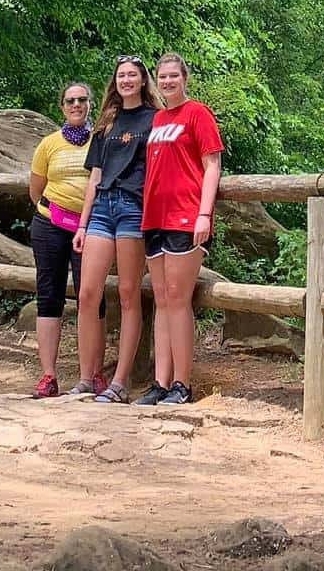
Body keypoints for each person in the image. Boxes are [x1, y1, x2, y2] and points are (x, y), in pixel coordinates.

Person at [136, 51, 222, 408]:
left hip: (186, 217)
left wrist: (204, 214)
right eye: (162, 76)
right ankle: (160, 381)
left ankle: (182, 384)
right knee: (161, 300)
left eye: (174, 75)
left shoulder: (197, 113)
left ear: (184, 78)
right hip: (154, 217)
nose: (168, 81)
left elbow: (212, 164)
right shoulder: (157, 119)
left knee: (177, 298)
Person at [69, 55, 156, 402]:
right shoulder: (107, 120)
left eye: (132, 75)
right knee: (88, 293)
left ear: (142, 80)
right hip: (103, 207)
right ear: (115, 81)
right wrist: (83, 223)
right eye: (121, 75)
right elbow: (95, 175)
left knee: (128, 294)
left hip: (133, 208)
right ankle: (87, 377)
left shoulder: (154, 120)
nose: (126, 80)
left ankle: (120, 382)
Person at [27, 81, 96, 398]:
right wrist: (56, 213)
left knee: (92, 298)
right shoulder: (48, 144)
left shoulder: (101, 140)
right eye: (70, 100)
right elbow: (35, 189)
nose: (76, 105)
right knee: (49, 294)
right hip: (50, 224)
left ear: (90, 104)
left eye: (82, 100)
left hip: (92, 226)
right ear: (62, 106)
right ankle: (49, 375)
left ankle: (91, 374)